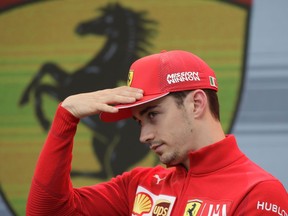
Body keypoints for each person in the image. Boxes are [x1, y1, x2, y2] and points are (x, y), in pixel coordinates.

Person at [26, 50, 287, 215]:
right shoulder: (139, 185)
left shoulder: (258, 192)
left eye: (153, 115)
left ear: (196, 104)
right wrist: (66, 117)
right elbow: (47, 211)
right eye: (140, 122)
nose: (144, 136)